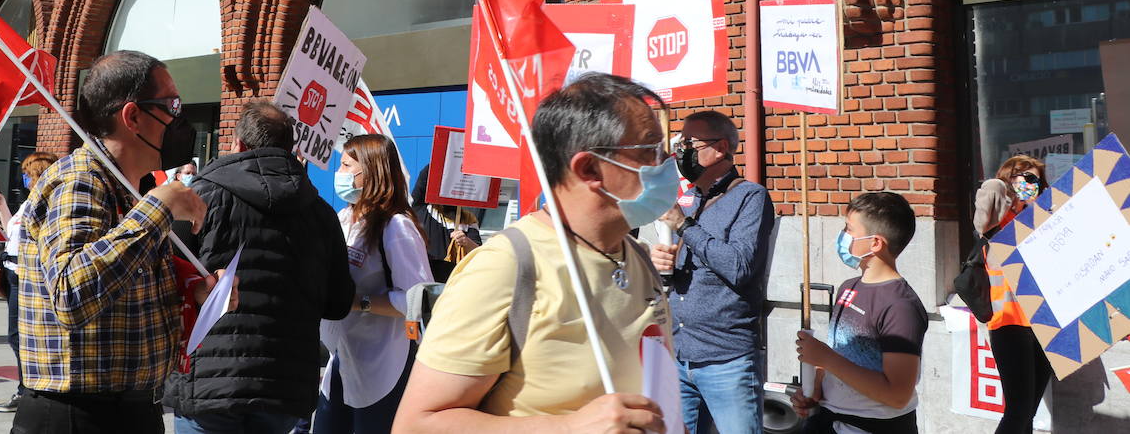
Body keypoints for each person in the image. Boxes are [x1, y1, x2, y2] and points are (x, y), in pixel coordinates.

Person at [394, 72, 671, 431]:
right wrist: (568, 428)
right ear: (589, 168)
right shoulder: (506, 267)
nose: (666, 165)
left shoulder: (637, 255)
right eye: (650, 150)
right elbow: (416, 424)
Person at [13, 50, 222, 434]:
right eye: (171, 104)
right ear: (133, 116)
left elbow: (123, 288)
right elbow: (71, 292)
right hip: (80, 415)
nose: (180, 117)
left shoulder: (128, 189)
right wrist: (156, 208)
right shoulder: (80, 180)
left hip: (126, 408)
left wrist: (195, 292)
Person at [166, 100, 354, 434]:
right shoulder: (322, 213)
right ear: (289, 147)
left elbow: (165, 276)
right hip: (283, 384)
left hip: (208, 381)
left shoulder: (198, 196)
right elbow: (338, 304)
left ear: (237, 144)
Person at [648, 110, 776, 434]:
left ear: (719, 148)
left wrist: (684, 226)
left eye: (689, 142)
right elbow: (685, 269)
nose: (681, 151)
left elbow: (740, 266)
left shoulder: (751, 197)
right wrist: (661, 262)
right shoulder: (689, 200)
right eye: (680, 142)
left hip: (726, 359)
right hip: (680, 353)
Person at [314, 133, 431, 433]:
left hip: (383, 366)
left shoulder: (397, 226)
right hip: (342, 359)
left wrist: (358, 302)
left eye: (345, 165)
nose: (338, 174)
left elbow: (417, 300)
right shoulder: (342, 219)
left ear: (370, 171)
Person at [793, 192, 927, 434]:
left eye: (849, 229)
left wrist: (825, 359)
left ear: (875, 243)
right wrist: (817, 388)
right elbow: (842, 357)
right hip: (828, 421)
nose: (843, 237)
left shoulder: (901, 306)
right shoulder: (848, 287)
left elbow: (897, 394)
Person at [975, 156, 1051, 434]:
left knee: (1028, 410)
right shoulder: (999, 220)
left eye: (1037, 181)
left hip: (1044, 324)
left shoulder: (1045, 221)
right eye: (1025, 178)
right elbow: (983, 214)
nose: (1032, 185)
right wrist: (1008, 193)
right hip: (1009, 323)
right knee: (1018, 411)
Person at [0, 150, 58, 414]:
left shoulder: (50, 202)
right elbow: (11, 233)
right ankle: (27, 388)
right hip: (12, 273)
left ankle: (29, 391)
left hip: (30, 277)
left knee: (25, 337)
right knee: (16, 337)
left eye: (29, 174)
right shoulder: (28, 202)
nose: (26, 180)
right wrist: (2, 207)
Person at [409, 168, 481, 282]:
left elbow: (479, 253)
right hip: (427, 281)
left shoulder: (468, 219)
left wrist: (466, 241)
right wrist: (451, 159)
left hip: (456, 282)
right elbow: (425, 176)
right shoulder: (423, 209)